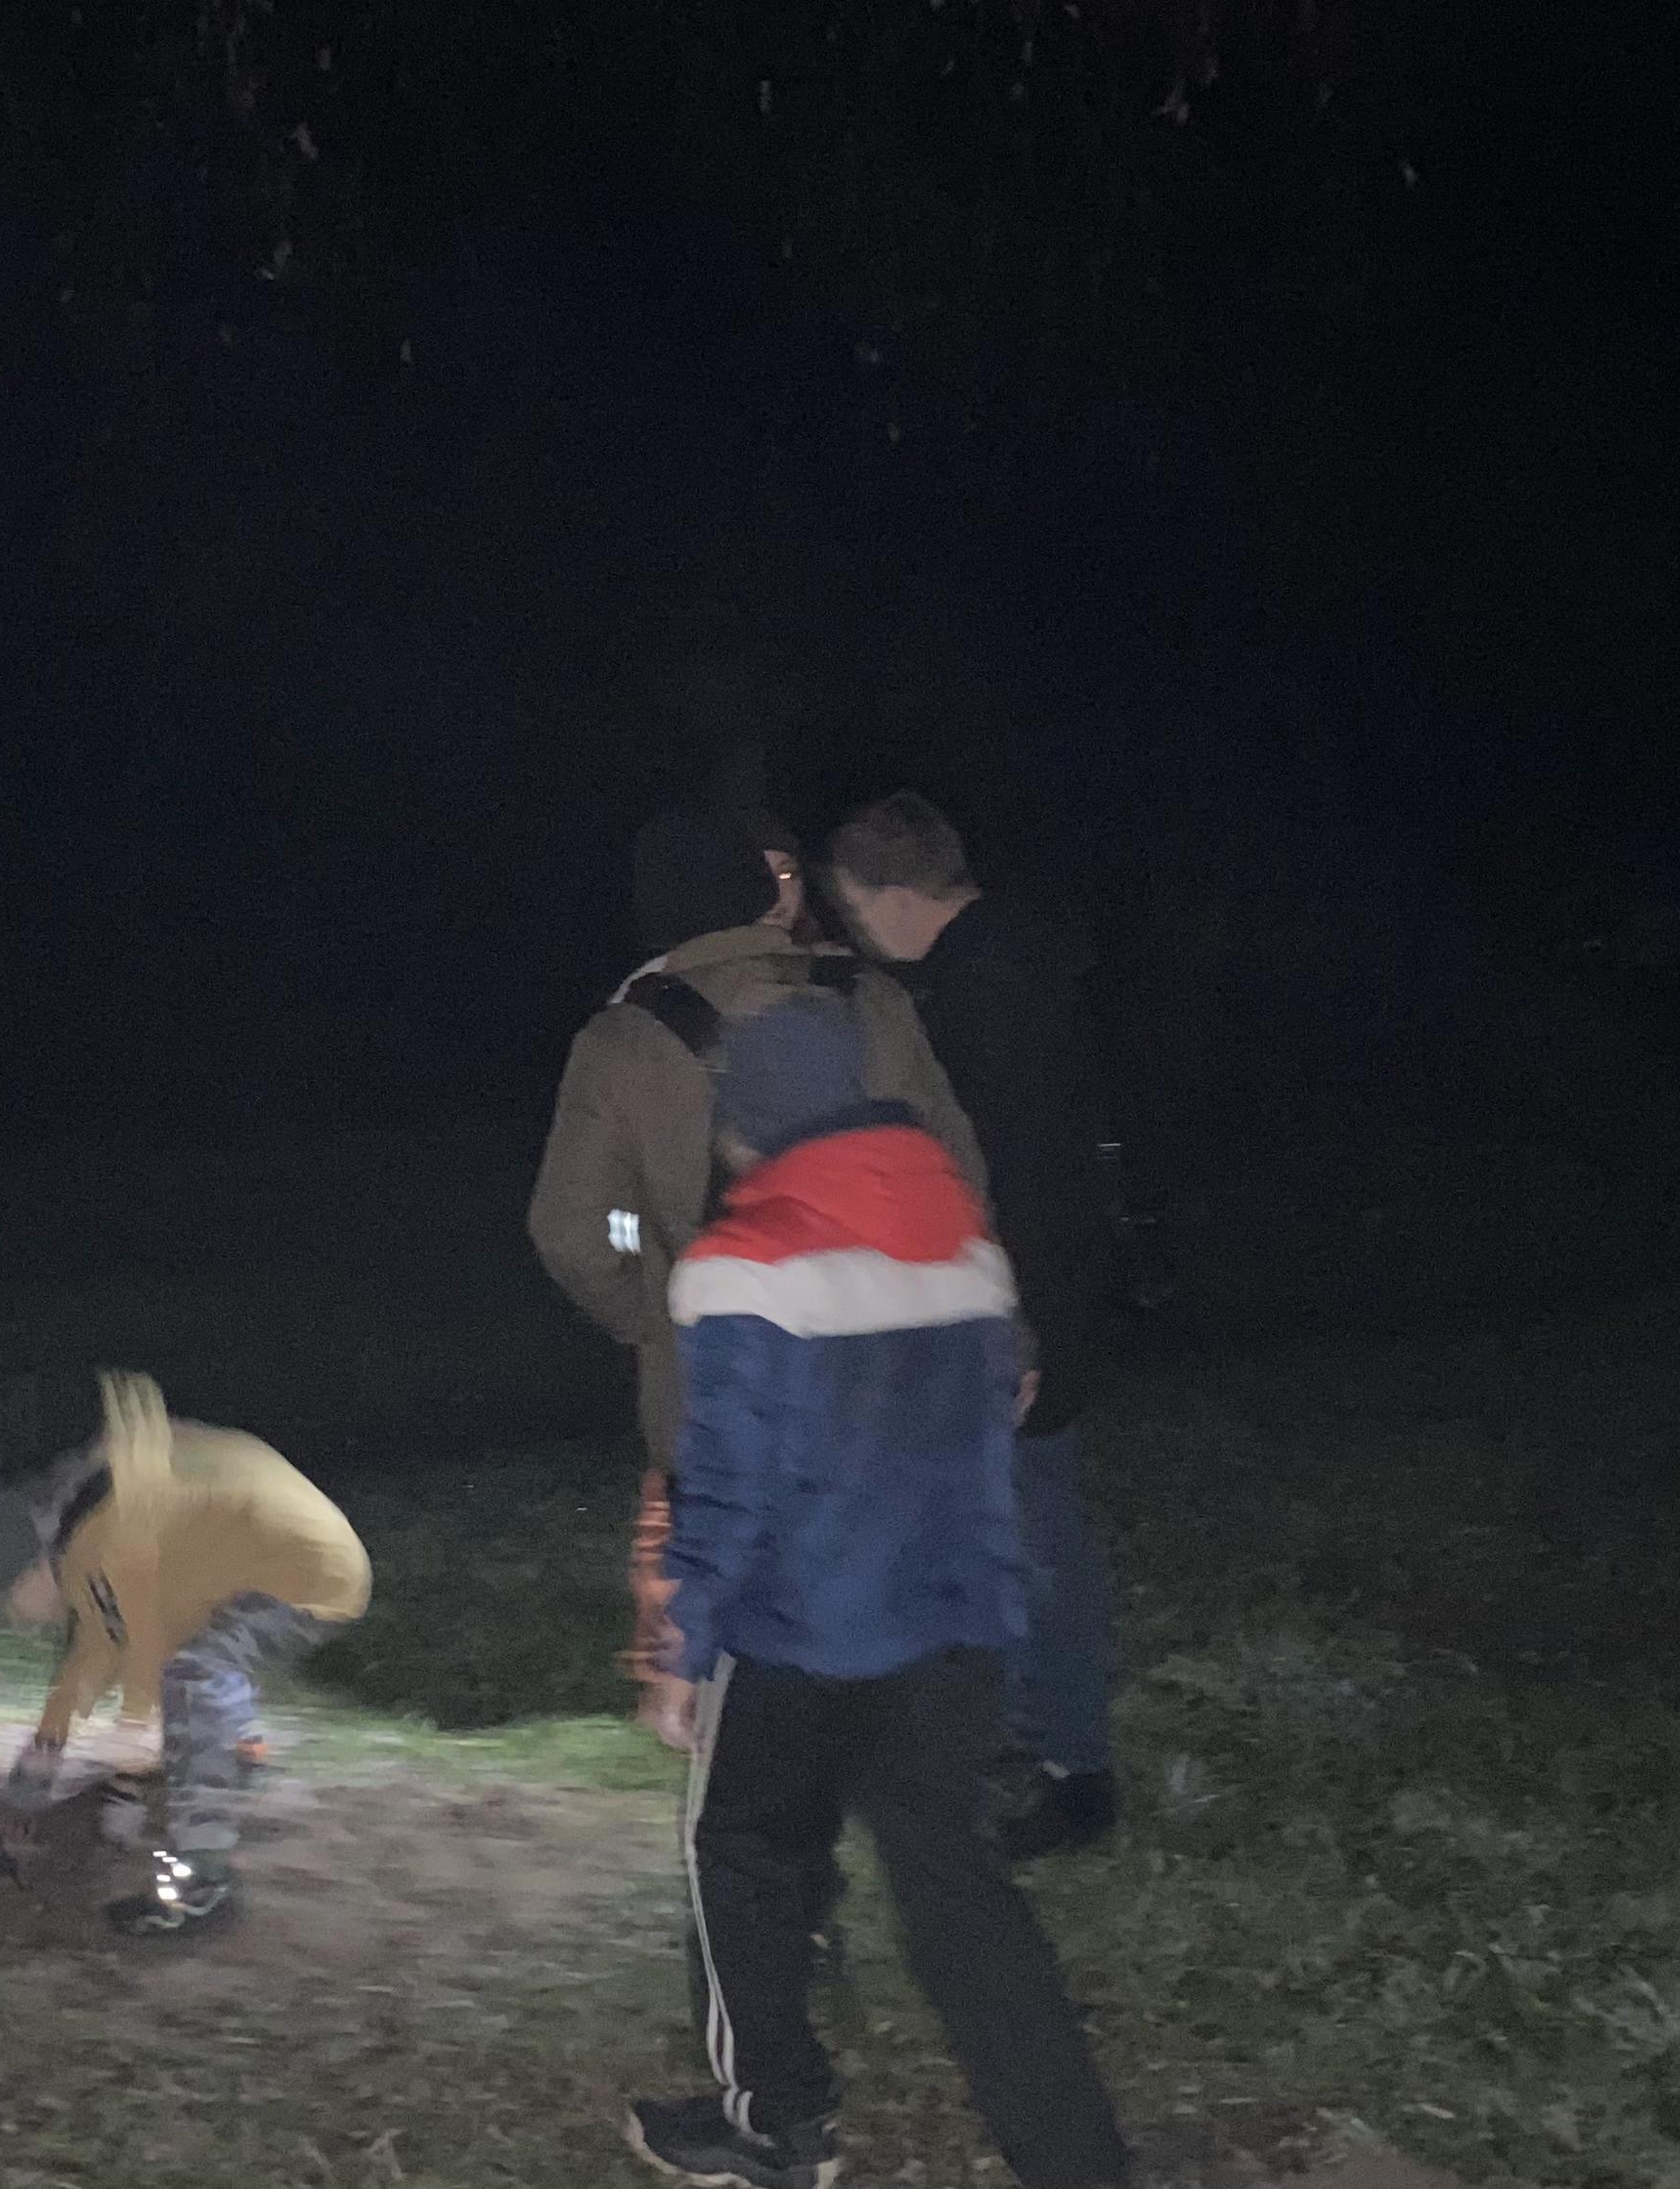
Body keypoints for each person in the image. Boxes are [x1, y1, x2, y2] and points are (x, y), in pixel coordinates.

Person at [630, 989, 1131, 2189]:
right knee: (958, 1888)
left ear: (750, 1118)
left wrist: (681, 1648)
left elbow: (730, 1485)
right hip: (954, 1625)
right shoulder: (966, 1245)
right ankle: (1080, 2164)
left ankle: (778, 2124)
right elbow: (993, 1432)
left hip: (800, 1631)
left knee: (741, 1852)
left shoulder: (740, 1265)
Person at [530, 791, 990, 1749]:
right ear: (756, 891)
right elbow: (956, 1170)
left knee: (738, 1635)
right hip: (892, 1374)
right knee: (902, 1631)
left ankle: (757, 1796)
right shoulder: (871, 999)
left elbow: (571, 1230)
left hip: (719, 1380)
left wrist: (649, 1313)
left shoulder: (621, 1039)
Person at [824, 791, 1125, 1861]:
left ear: (898, 897)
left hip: (1021, 1302)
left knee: (1039, 1539)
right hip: (1041, 1289)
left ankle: (1075, 1772)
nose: (859, 932)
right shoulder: (1014, 962)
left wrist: (1012, 1321)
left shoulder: (981, 992)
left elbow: (1015, 1173)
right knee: (1011, 1528)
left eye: (856, 909)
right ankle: (1031, 1731)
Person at [0, 1371, 373, 1939]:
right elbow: (96, 1647)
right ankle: (242, 1757)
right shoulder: (99, 1512)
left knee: (193, 1675)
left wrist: (124, 1792)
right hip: (305, 1555)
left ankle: (203, 1881)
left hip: (305, 1572)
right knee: (207, 1651)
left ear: (32, 1565)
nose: (21, 1614)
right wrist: (37, 1767)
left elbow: (140, 1657)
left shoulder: (98, 1542)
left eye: (15, 1599)